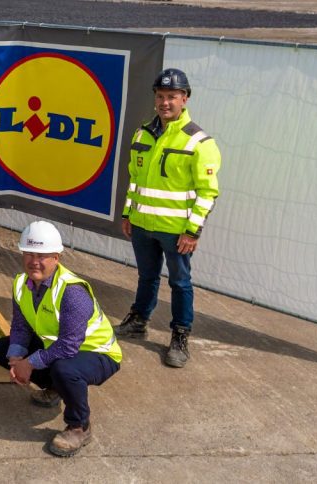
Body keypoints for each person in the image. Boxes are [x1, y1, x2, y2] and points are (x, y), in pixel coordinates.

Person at [113, 68, 221, 368]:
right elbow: (134, 179)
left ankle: (180, 335)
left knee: (180, 283)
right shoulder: (142, 133)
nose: (165, 103)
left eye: (172, 97)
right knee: (146, 276)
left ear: (184, 99)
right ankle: (138, 321)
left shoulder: (200, 143)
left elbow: (208, 192)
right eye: (160, 97)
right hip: (142, 224)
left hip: (176, 232)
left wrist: (193, 232)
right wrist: (128, 214)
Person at [0, 221, 121, 457]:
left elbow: (69, 346)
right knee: (0, 349)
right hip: (60, 349)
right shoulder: (21, 283)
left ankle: (79, 426)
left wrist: (29, 364)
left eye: (42, 256)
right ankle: (56, 388)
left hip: (98, 353)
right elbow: (21, 324)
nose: (34, 261)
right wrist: (16, 359)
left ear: (56, 258)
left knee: (64, 369)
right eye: (29, 253)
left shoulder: (72, 291)